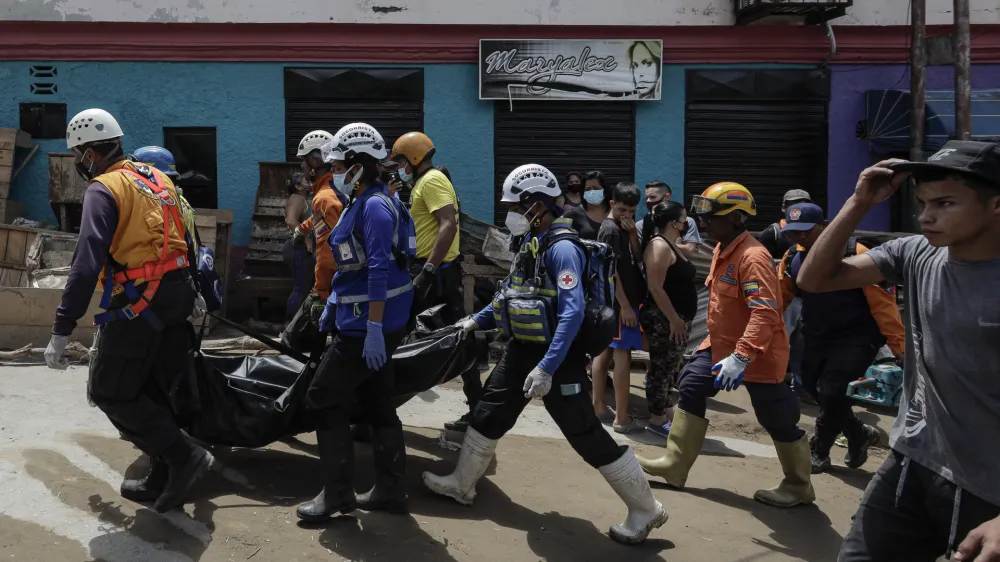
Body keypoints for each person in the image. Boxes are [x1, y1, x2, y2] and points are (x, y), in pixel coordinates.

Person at [422, 164, 668, 545]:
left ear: (536, 205)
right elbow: (510, 294)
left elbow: (571, 312)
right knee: (489, 410)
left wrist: (548, 368)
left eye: (516, 208)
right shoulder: (529, 244)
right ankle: (461, 483)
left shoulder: (563, 248)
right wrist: (474, 321)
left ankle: (646, 508)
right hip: (523, 349)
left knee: (584, 432)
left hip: (557, 357)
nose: (512, 215)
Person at [795, 141, 1000, 562]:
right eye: (922, 202)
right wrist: (859, 201)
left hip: (988, 490)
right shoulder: (917, 252)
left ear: (996, 206)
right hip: (912, 459)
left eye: (945, 203)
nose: (926, 215)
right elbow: (814, 278)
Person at [44, 109, 212, 513]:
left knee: (109, 390)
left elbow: (85, 264)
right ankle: (161, 476)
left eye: (77, 155)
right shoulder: (159, 180)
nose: (80, 163)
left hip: (139, 300)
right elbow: (188, 235)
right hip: (177, 295)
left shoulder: (104, 189)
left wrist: (61, 329)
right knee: (151, 387)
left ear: (87, 153)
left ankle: (183, 456)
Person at [638, 181, 814, 509]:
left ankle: (798, 484)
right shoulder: (723, 247)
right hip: (719, 347)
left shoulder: (753, 257)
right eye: (701, 216)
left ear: (735, 218)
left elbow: (765, 313)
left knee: (775, 416)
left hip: (757, 354)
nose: (702, 223)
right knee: (690, 383)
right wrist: (710, 346)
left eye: (710, 217)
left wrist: (742, 357)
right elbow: (722, 307)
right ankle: (675, 465)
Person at [297, 123, 416, 522]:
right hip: (361, 318)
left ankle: (337, 495)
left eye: (339, 164)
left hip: (368, 326)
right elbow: (352, 266)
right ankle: (390, 490)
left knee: (322, 397)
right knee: (377, 401)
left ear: (359, 166)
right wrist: (333, 301)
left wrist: (374, 330)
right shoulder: (361, 201)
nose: (335, 171)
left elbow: (380, 269)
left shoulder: (377, 207)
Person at [777, 202, 904, 474]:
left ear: (825, 226)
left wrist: (899, 348)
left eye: (806, 232)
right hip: (814, 333)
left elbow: (884, 305)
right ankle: (859, 433)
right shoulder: (791, 258)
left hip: (856, 336)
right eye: (794, 233)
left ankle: (819, 450)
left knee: (832, 390)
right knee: (811, 388)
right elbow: (780, 299)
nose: (800, 238)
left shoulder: (856, 252)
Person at [389, 132, 482, 433]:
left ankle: (380, 414)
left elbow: (448, 224)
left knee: (403, 337)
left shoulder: (431, 181)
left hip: (436, 272)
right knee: (457, 338)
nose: (399, 165)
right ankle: (478, 411)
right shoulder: (422, 183)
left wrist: (427, 270)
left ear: (414, 159)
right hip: (433, 269)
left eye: (401, 160)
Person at [639, 201, 698, 438]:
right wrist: (674, 319)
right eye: (684, 219)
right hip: (664, 320)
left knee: (668, 368)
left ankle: (665, 410)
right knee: (661, 370)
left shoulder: (671, 245)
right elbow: (655, 287)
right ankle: (656, 420)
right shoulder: (659, 247)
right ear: (674, 223)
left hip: (675, 319)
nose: (687, 223)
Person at [591, 182, 646, 433]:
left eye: (631, 211)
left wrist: (633, 232)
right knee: (621, 355)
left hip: (618, 302)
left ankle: (599, 407)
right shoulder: (610, 231)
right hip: (618, 303)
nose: (626, 215)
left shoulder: (623, 228)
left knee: (604, 353)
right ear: (612, 204)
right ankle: (621, 417)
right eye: (622, 209)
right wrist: (625, 306)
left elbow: (637, 256)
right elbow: (610, 271)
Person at [282, 130, 343, 349]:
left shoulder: (324, 196)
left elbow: (329, 251)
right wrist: (303, 229)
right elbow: (319, 221)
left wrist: (320, 291)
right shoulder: (326, 191)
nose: (302, 168)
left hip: (336, 284)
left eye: (304, 161)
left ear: (316, 160)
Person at [282, 172, 316, 322]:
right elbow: (291, 221)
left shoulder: (303, 199)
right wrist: (307, 239)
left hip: (302, 249)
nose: (308, 183)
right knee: (300, 288)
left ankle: (299, 324)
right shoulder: (296, 198)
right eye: (305, 181)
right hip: (297, 248)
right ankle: (289, 324)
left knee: (306, 286)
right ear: (297, 186)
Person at [638, 181, 701, 259]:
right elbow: (639, 254)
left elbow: (689, 251)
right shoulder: (642, 224)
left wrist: (657, 244)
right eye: (646, 198)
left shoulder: (686, 221)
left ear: (667, 197)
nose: (648, 201)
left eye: (653, 197)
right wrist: (677, 245)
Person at [759, 189, 812, 260]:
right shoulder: (772, 233)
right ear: (784, 207)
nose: (800, 210)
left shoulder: (813, 231)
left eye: (804, 206)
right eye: (795, 205)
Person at [563, 170, 609, 240]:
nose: (592, 192)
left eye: (596, 188)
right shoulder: (572, 214)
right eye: (588, 189)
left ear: (605, 189)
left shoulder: (616, 212)